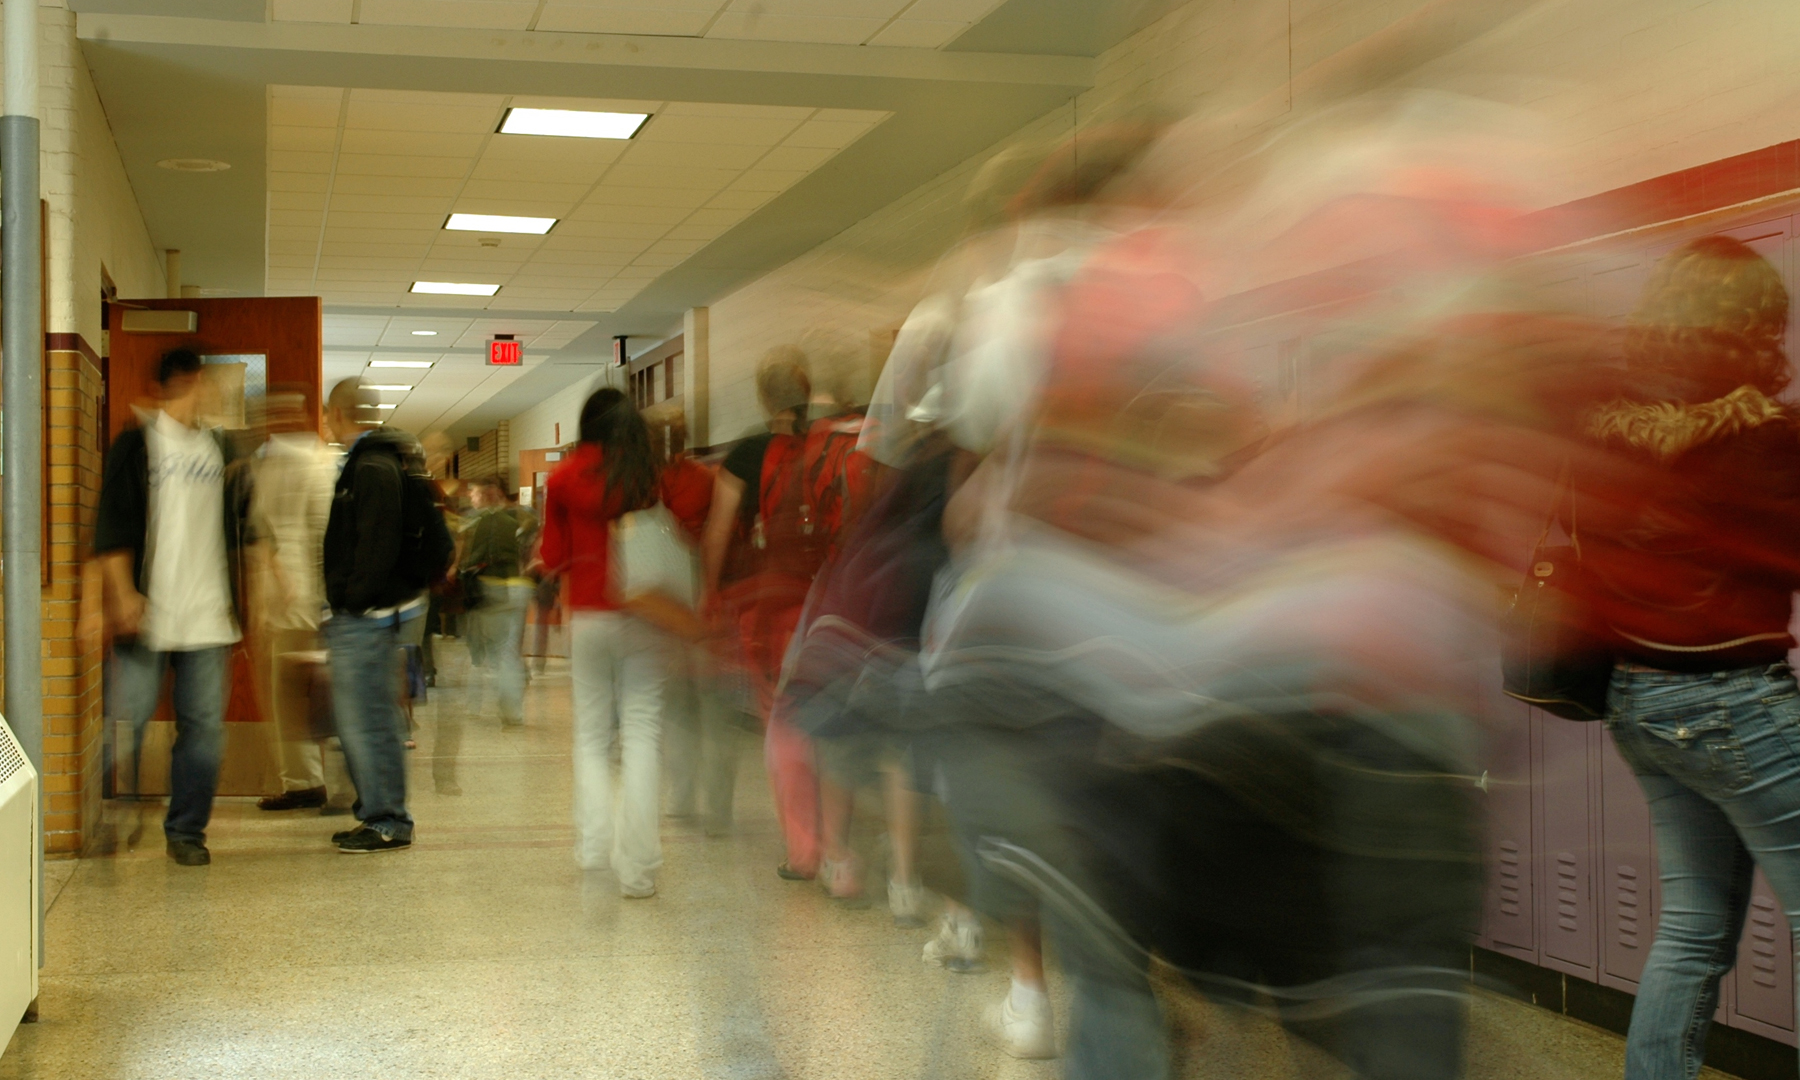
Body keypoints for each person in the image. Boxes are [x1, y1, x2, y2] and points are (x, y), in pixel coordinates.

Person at [1581, 235, 1800, 1079]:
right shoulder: (1763, 436)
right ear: (1756, 324)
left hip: (1638, 698)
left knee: (1692, 926)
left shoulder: (1606, 432)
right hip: (1733, 702)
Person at [539, 388, 710, 898]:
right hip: (644, 613)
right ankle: (638, 868)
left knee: (592, 736)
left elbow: (554, 555)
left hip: (590, 617)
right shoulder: (646, 475)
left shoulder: (563, 479)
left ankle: (594, 847)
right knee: (641, 733)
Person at [92, 347, 252, 866]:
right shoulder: (137, 444)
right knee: (126, 723)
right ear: (192, 381)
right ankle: (106, 815)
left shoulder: (221, 448)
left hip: (207, 616)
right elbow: (112, 525)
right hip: (148, 615)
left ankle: (185, 831)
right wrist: (122, 593)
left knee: (203, 732)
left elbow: (241, 530)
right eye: (208, 383)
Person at [321, 378, 445, 853]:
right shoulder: (382, 459)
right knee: (372, 718)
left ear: (338, 413)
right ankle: (379, 811)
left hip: (369, 615)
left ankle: (387, 820)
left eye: (327, 413)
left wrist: (352, 601)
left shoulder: (371, 466)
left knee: (365, 721)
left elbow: (376, 542)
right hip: (378, 611)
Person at [247, 390, 353, 815]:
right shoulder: (270, 463)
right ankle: (305, 781)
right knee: (288, 696)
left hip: (302, 603)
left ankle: (312, 783)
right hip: (283, 602)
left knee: (301, 695)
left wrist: (322, 602)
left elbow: (323, 535)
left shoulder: (311, 463)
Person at [459, 475, 535, 732]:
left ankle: (501, 708)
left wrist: (463, 569)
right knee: (509, 651)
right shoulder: (522, 517)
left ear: (491, 493)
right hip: (519, 587)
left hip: (493, 588)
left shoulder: (485, 521)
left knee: (495, 654)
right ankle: (513, 710)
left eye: (476, 493)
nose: (473, 498)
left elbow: (475, 557)